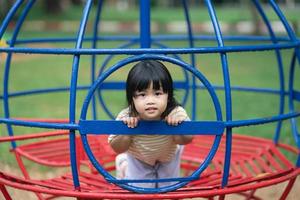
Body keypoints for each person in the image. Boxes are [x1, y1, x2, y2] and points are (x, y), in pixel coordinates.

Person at [108, 60, 193, 188]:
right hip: (140, 156)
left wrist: (177, 127)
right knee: (140, 189)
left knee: (169, 189)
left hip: (168, 154)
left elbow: (186, 140)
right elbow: (117, 148)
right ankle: (124, 165)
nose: (150, 101)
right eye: (142, 95)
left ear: (168, 96)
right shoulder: (126, 117)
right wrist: (126, 132)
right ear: (132, 98)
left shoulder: (176, 113)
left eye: (157, 94)